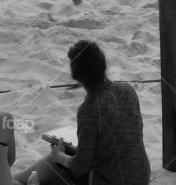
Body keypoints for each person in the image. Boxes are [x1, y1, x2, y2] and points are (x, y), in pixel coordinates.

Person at [12, 40, 150, 185]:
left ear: (76, 77)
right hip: (141, 176)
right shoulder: (127, 90)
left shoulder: (88, 109)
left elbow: (80, 166)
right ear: (103, 65)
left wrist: (59, 156)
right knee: (68, 155)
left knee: (58, 163)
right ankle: (18, 179)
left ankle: (16, 180)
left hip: (112, 180)